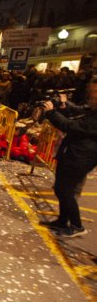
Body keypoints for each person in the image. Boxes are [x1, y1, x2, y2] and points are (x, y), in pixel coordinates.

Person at [40, 77, 97, 238]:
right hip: (74, 153)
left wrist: (51, 113)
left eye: (93, 94)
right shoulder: (92, 110)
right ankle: (62, 221)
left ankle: (77, 225)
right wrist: (63, 107)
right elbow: (77, 115)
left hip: (81, 157)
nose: (90, 97)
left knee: (65, 190)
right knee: (61, 188)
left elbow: (70, 126)